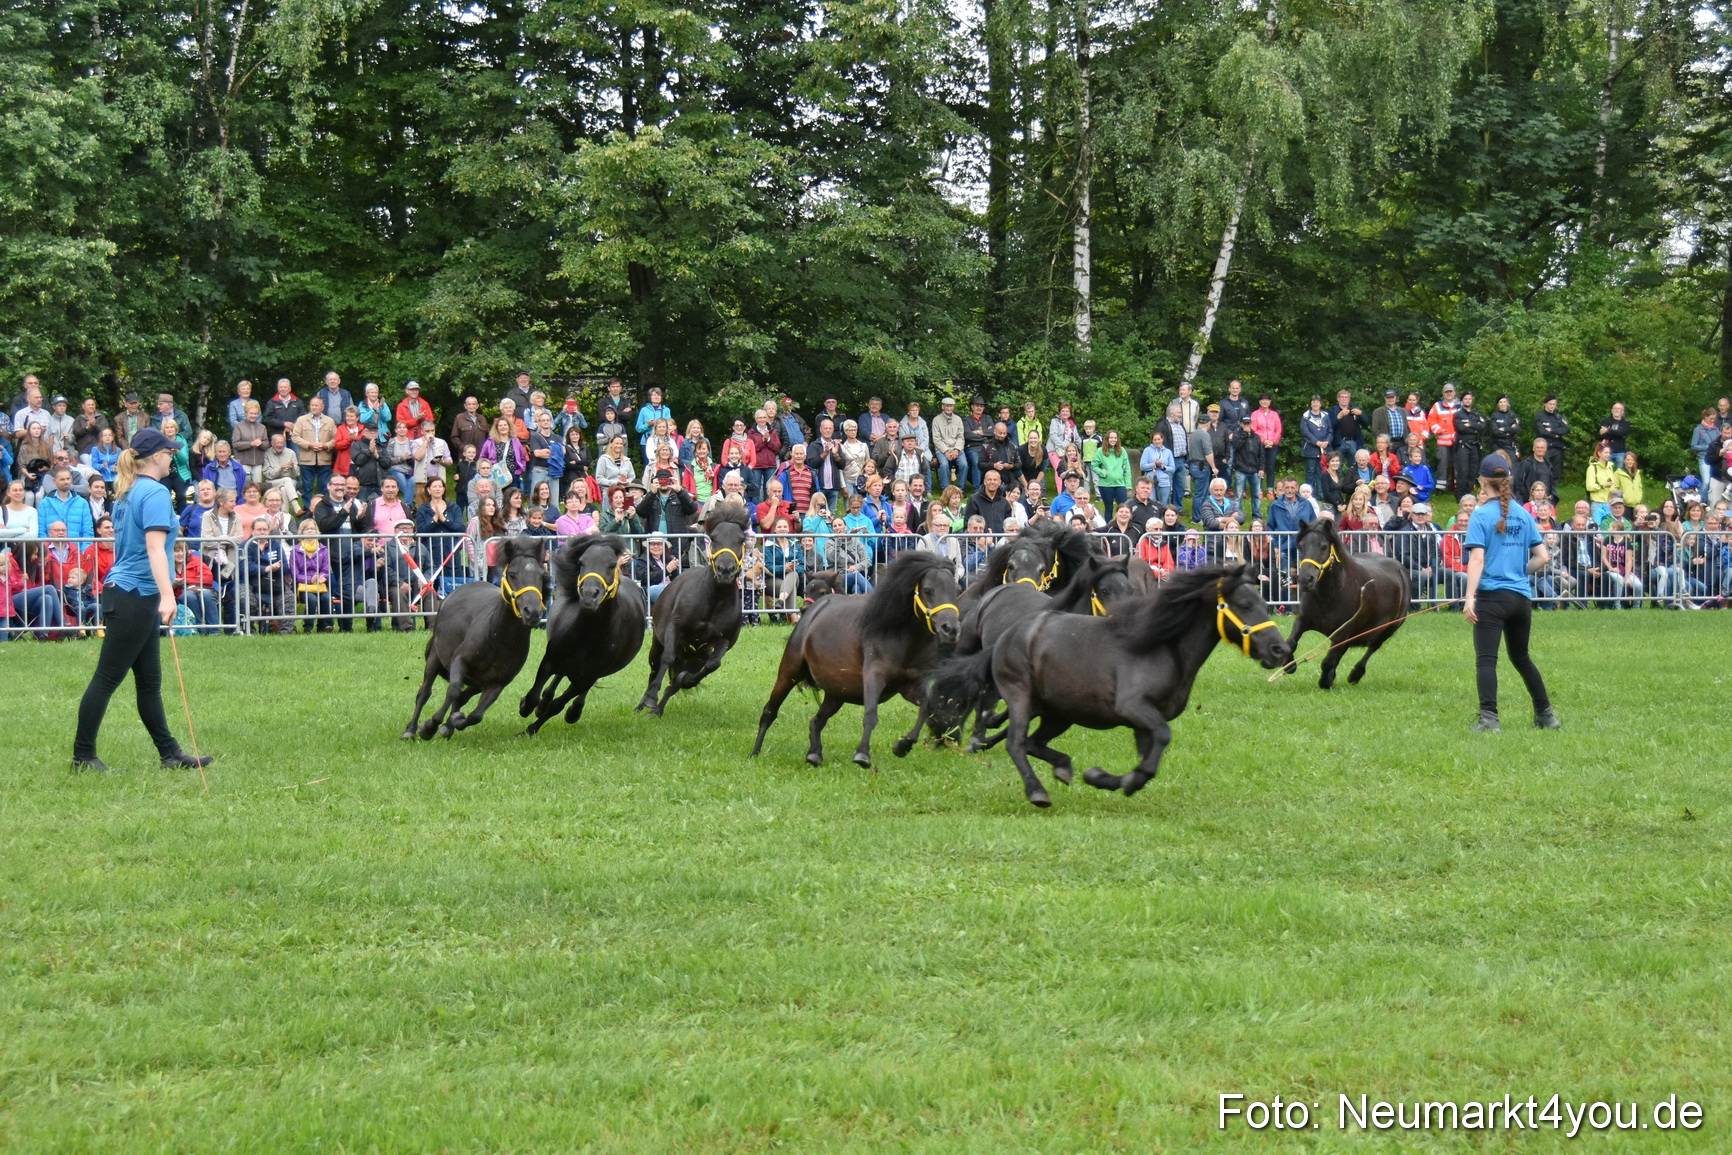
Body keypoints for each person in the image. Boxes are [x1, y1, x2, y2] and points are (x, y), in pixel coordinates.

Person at [70, 428, 213, 772]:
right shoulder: (155, 493)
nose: (173, 457)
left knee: (149, 681)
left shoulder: (129, 491)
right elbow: (153, 548)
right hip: (135, 595)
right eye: (169, 452)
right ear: (154, 457)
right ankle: (83, 756)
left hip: (132, 594)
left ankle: (169, 753)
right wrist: (168, 595)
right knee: (107, 678)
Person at [1463, 453, 1560, 732]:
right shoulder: (1524, 514)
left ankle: (1489, 720)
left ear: (1483, 481)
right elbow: (1542, 557)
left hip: (1491, 599)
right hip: (1520, 598)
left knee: (1486, 660)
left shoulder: (1481, 515)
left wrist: (1470, 597)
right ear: (1507, 480)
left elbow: (1477, 560)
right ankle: (1546, 715)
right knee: (1521, 658)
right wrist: (1517, 573)